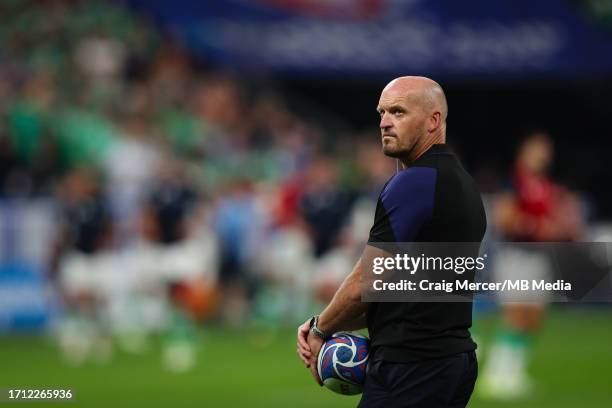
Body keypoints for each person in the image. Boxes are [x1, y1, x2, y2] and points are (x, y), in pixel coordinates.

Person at [296, 76, 487, 407]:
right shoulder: (462, 182)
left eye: (398, 112)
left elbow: (366, 281)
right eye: (382, 113)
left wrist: (319, 328)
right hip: (451, 362)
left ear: (434, 120)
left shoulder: (414, 183)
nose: (384, 122)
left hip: (411, 367)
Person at [478, 132, 583, 399]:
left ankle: (513, 373)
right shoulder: (514, 182)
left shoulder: (547, 186)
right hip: (517, 256)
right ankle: (496, 375)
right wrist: (537, 227)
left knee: (533, 318)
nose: (543, 155)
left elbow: (558, 219)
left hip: (539, 258)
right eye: (537, 150)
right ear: (524, 152)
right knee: (517, 314)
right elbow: (506, 219)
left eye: (545, 150)